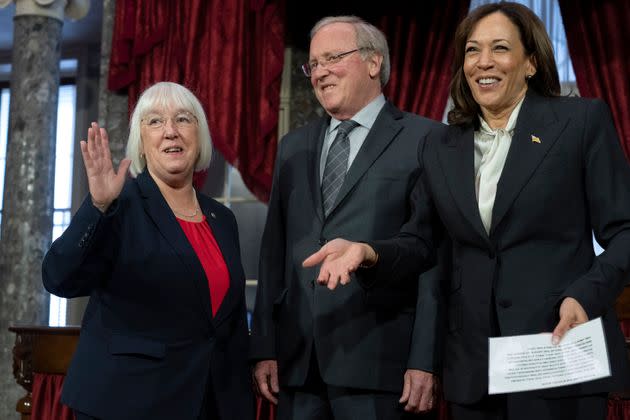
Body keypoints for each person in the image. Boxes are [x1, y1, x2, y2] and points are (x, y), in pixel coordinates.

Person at [304, 3, 630, 420]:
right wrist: (368, 252)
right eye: (472, 51)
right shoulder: (443, 146)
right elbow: (420, 242)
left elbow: (624, 232)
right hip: (475, 371)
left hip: (558, 352)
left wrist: (584, 296)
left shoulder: (580, 123)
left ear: (530, 62)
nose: (483, 62)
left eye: (499, 48)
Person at [249, 15, 447, 420]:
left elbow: (434, 258)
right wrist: (265, 346)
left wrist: (424, 358)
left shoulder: (426, 139)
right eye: (313, 64)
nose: (319, 73)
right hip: (298, 364)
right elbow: (274, 255)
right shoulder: (293, 146)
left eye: (333, 58)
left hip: (379, 362)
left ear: (374, 63)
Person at [42, 82, 254, 420]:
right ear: (141, 142)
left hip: (210, 403)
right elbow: (59, 279)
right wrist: (97, 207)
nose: (170, 131)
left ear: (199, 135)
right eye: (155, 121)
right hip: (127, 402)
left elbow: (224, 324)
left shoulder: (222, 218)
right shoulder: (119, 206)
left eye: (183, 119)